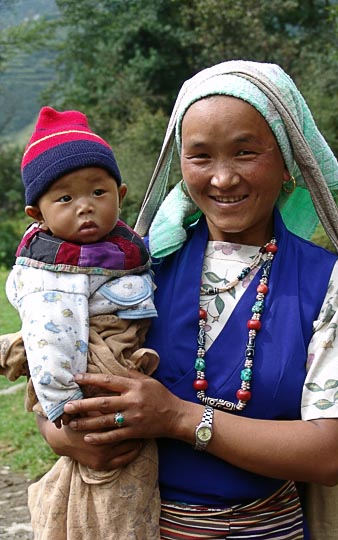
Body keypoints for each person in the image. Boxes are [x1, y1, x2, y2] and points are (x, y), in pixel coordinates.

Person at [34, 62, 338, 539]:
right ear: (180, 164)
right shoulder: (133, 270)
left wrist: (178, 417)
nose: (222, 179)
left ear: (287, 163)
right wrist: (65, 438)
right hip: (135, 524)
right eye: (200, 157)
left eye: (245, 152)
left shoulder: (335, 286)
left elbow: (328, 455)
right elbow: (57, 375)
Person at [3, 107, 161, 539]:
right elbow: (53, 338)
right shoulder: (50, 272)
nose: (85, 208)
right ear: (37, 214)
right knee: (117, 481)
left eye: (97, 191)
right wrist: (62, 410)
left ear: (121, 193)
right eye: (65, 199)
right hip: (84, 378)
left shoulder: (124, 246)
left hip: (118, 352)